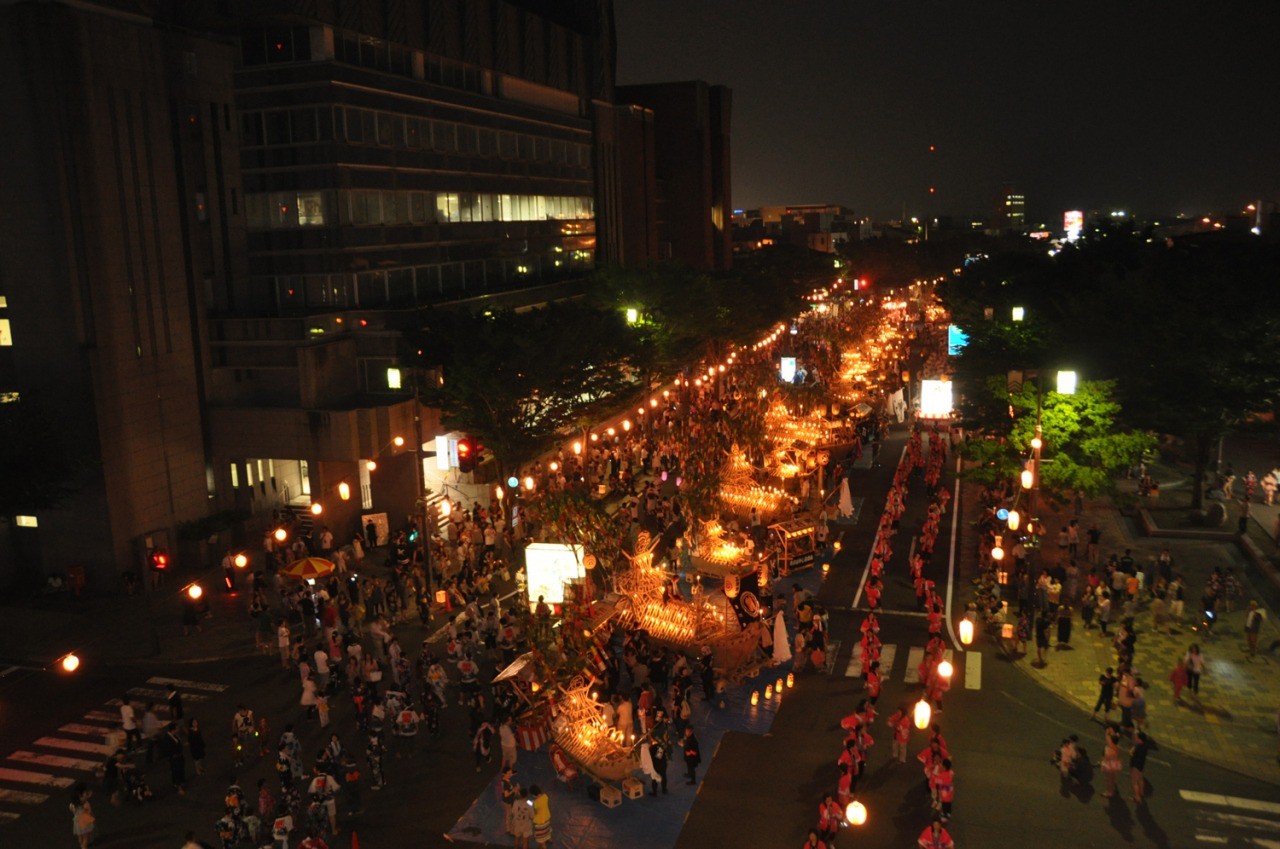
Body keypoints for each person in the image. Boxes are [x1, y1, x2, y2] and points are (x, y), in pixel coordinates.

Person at [1100, 724, 1123, 798]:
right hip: (1114, 763)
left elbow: (1107, 736)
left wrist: (1108, 731)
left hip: (1109, 764)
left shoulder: (1110, 747)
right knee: (1113, 777)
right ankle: (1112, 789)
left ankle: (1110, 792)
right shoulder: (1116, 747)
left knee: (1109, 779)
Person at [70, 784, 95, 849]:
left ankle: (80, 842)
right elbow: (88, 810)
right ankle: (84, 846)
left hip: (77, 820)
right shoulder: (85, 803)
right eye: (85, 793)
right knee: (86, 836)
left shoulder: (73, 804)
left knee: (80, 834)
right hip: (84, 820)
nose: (86, 794)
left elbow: (72, 810)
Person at [1129, 730, 1149, 804]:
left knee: (1134, 782)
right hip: (1141, 765)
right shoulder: (1145, 745)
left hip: (1135, 766)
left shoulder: (1138, 747)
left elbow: (1131, 753)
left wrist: (1131, 751)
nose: (1136, 738)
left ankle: (1137, 797)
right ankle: (1141, 793)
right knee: (1140, 779)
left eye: (1137, 737)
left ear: (1140, 739)